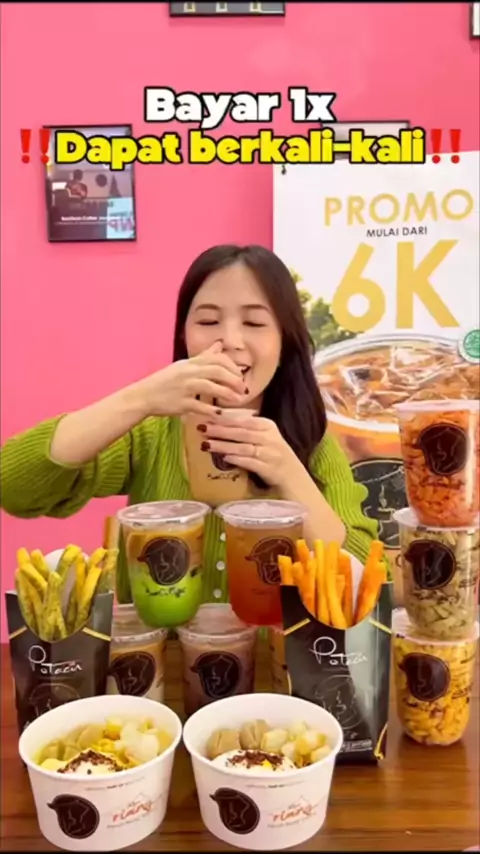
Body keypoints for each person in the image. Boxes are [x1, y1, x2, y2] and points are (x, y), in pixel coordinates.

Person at [1, 244, 378, 604]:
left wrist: (290, 474)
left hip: (273, 651)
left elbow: (366, 587)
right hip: (159, 649)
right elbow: (14, 486)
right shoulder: (150, 434)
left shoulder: (312, 443)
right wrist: (140, 399)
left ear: (284, 343)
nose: (230, 340)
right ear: (184, 336)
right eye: (208, 321)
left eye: (254, 322)